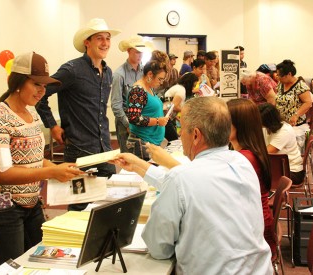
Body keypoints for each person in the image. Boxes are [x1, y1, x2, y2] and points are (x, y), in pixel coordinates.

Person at [113, 97, 273, 274]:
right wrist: (138, 165)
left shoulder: (182, 178)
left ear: (196, 135)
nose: (180, 134)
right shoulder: (242, 163)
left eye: (182, 129)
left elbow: (159, 248)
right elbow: (195, 184)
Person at [0, 52, 84, 267]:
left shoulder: (32, 114)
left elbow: (35, 159)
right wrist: (51, 172)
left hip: (31, 202)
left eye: (44, 86)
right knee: (12, 267)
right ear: (17, 82)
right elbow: (3, 173)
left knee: (38, 261)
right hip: (3, 206)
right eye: (36, 84)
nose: (41, 91)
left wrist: (58, 168)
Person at [36, 18, 120, 211]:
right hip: (79, 149)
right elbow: (40, 94)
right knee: (80, 207)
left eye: (107, 38)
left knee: (108, 203)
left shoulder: (107, 72)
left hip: (104, 148)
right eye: (99, 38)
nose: (105, 43)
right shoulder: (71, 70)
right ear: (87, 42)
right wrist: (52, 125)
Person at [226, 98, 276, 260]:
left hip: (254, 234)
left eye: (224, 122)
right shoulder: (249, 151)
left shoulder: (245, 158)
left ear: (239, 126)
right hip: (254, 225)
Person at [126, 52, 169, 160]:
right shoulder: (138, 90)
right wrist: (158, 121)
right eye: (160, 79)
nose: (161, 82)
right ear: (150, 75)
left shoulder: (149, 89)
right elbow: (134, 118)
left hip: (150, 142)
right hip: (142, 143)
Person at [111, 35, 149, 153]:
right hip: (125, 122)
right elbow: (116, 105)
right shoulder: (119, 74)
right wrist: (128, 124)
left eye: (141, 52)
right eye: (137, 52)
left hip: (142, 120)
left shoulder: (144, 72)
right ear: (128, 51)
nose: (140, 55)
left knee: (143, 156)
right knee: (128, 157)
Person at [259, 103, 305, 185]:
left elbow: (266, 153)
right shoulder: (268, 127)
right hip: (278, 167)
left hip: (291, 171)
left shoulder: (284, 131)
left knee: (255, 176)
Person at [275, 59, 312, 127]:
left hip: (295, 125)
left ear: (289, 74)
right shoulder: (281, 84)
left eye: (280, 75)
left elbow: (308, 103)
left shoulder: (301, 86)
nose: (278, 78)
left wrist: (296, 115)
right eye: (277, 75)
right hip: (282, 123)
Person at [163, 73, 199, 142]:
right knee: (174, 140)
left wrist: (177, 118)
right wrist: (187, 111)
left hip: (167, 117)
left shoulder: (178, 88)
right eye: (193, 86)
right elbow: (173, 106)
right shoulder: (181, 90)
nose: (193, 88)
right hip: (165, 117)